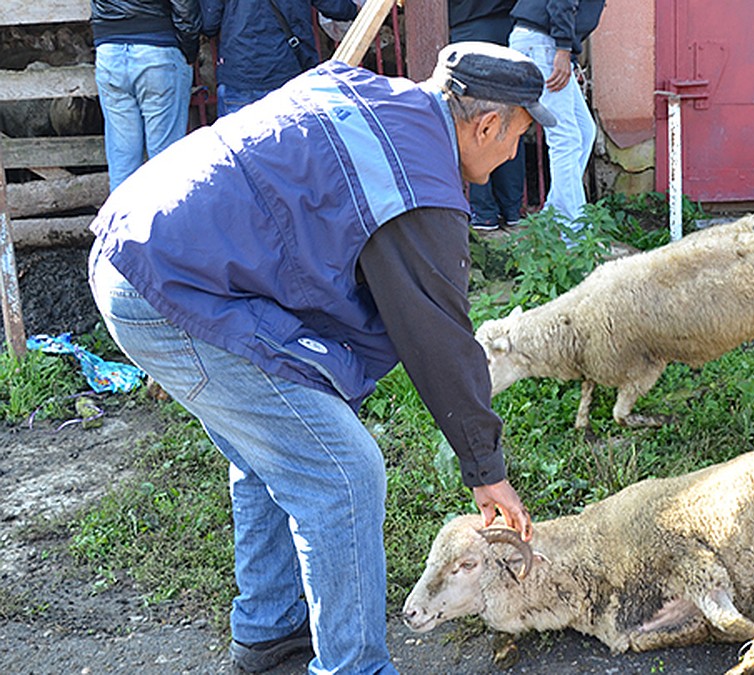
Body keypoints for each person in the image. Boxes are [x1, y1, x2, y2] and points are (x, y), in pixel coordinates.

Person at [88, 42, 554, 673]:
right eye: (520, 138)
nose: (512, 155)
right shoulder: (419, 183)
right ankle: (353, 666)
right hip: (170, 284)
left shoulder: (376, 98)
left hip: (147, 244)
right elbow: (438, 336)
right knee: (342, 472)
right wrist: (485, 467)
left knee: (280, 444)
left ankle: (269, 628)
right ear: (488, 123)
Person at [509, 0, 606, 235]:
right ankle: (572, 232)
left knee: (584, 132)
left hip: (546, 42)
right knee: (565, 138)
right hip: (544, 43)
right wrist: (563, 49)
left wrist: (566, 53)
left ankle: (554, 217)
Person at [90, 0, 202, 192]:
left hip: (109, 50)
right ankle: (166, 221)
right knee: (165, 160)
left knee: (123, 159)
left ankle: (123, 220)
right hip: (157, 47)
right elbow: (184, 5)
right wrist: (190, 50)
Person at [199, 0, 359, 116]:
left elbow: (209, 23)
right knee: (294, 155)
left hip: (242, 73)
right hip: (291, 71)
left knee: (240, 155)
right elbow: (337, 7)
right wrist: (357, 9)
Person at [450, 0, 526, 230]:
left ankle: (483, 212)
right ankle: (512, 209)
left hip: (466, 30)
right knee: (509, 122)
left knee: (473, 123)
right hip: (507, 27)